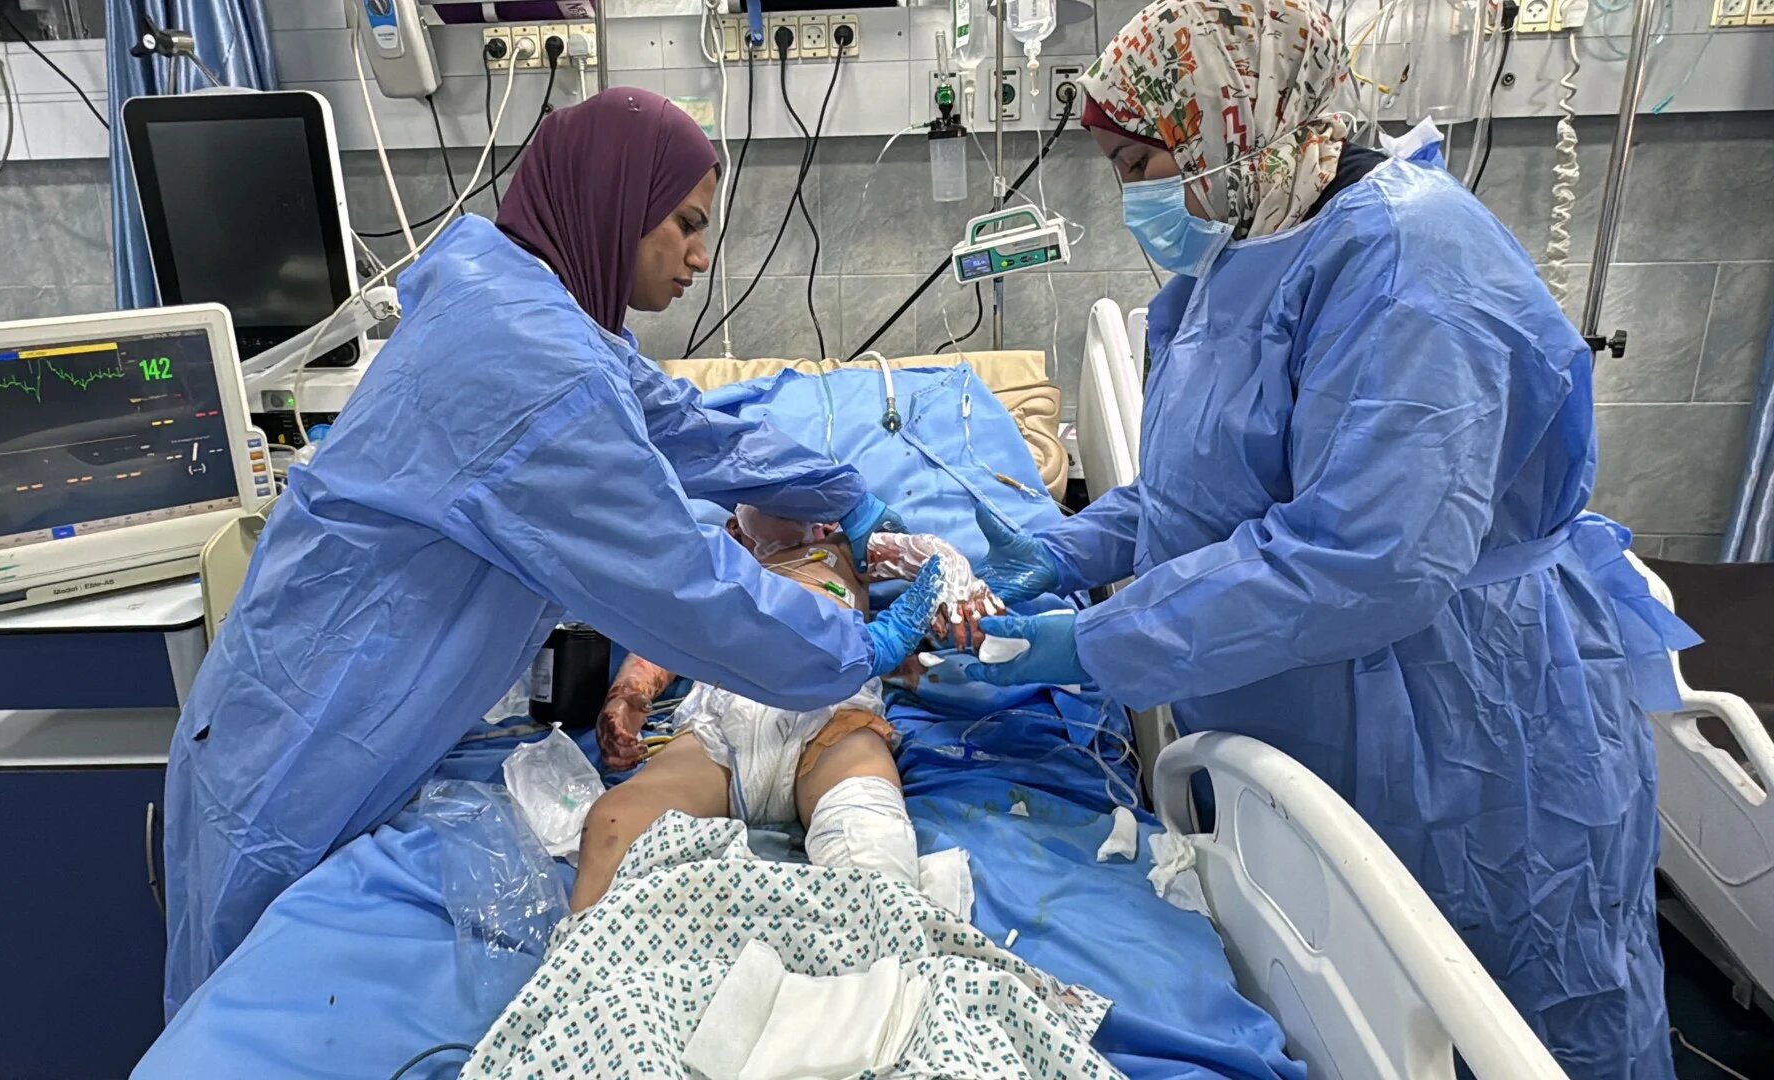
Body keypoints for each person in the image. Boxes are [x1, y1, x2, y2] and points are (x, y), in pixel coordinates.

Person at [964, 2, 1698, 1076]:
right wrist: (1078, 548)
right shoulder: (1238, 250)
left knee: (1504, 1012)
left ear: (1231, 111)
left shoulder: (1414, 261)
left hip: (1466, 719)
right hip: (1311, 712)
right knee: (1350, 1015)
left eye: (1138, 160)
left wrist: (1102, 642)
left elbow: (1370, 556)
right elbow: (1208, 489)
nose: (1133, 196)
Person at [160, 88, 942, 1016]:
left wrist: (842, 493)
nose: (701, 255)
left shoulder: (535, 308)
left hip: (327, 696)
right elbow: (683, 587)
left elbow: (694, 432)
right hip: (297, 740)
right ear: (613, 199)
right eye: (686, 223)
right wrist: (855, 651)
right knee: (249, 1004)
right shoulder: (538, 371)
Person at [577, 507, 999, 908]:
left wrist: (959, 585)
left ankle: (883, 956)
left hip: (832, 716)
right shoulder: (721, 563)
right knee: (615, 823)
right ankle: (588, 958)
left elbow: (933, 558)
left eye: (814, 505)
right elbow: (671, 634)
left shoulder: (843, 550)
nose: (807, 513)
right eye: (775, 500)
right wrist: (629, 695)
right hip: (722, 725)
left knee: (870, 836)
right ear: (736, 528)